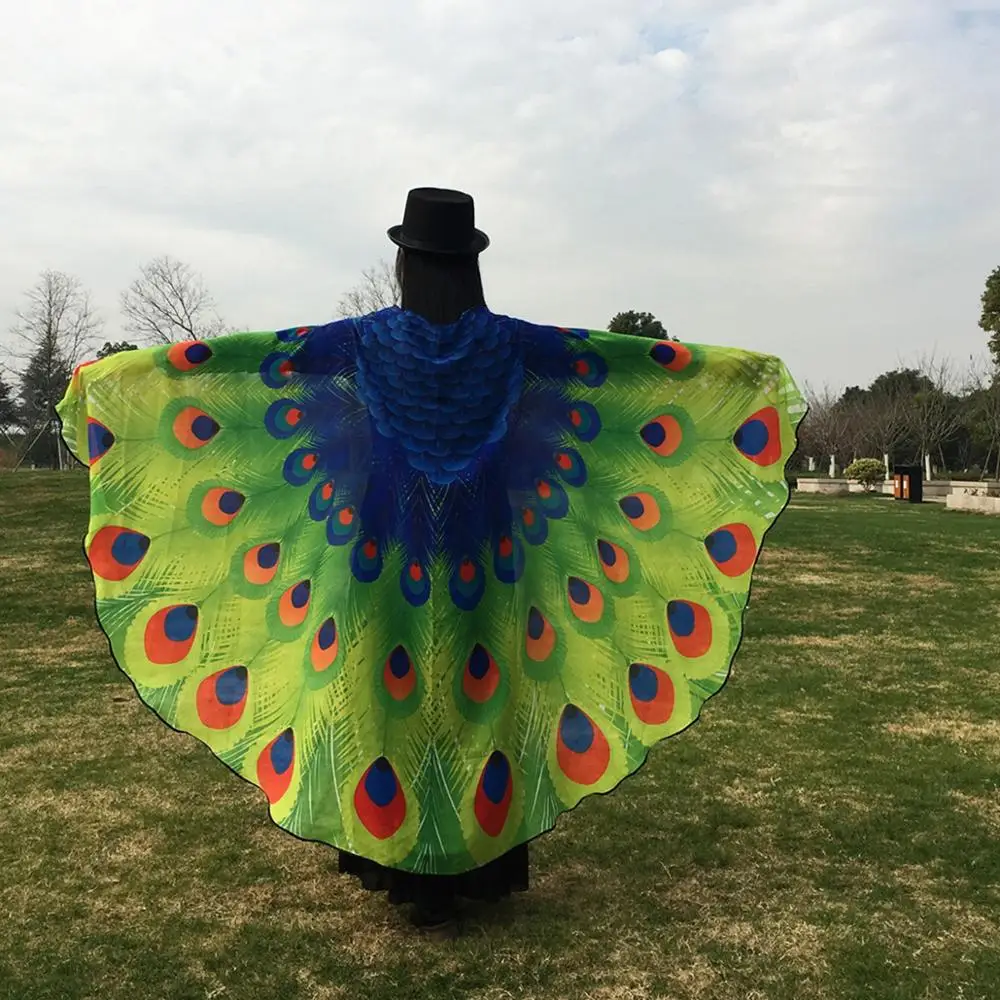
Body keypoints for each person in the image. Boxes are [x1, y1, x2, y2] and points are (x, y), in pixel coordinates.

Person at [57, 186, 804, 936]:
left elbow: (251, 363)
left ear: (405, 261)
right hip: (492, 553)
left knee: (381, 699)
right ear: (471, 263)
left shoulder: (359, 344)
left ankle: (401, 868)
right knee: (489, 696)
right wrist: (739, 380)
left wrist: (116, 379)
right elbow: (622, 368)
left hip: (382, 551)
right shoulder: (514, 346)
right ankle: (479, 864)